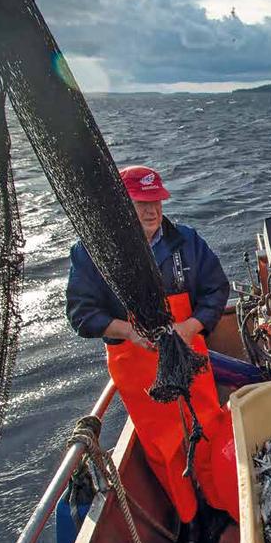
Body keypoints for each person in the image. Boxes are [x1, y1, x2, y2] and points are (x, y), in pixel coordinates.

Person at [66, 165, 238, 524]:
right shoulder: (90, 254)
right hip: (137, 366)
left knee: (207, 427)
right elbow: (81, 313)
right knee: (165, 448)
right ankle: (189, 520)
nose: (152, 210)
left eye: (156, 201)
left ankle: (221, 505)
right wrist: (127, 331)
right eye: (141, 202)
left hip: (189, 354)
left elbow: (216, 289)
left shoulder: (186, 241)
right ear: (121, 205)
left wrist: (190, 327)